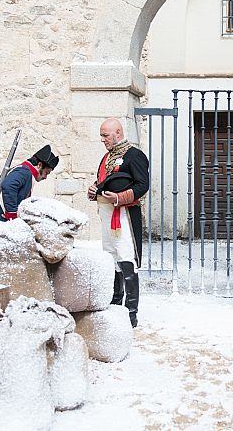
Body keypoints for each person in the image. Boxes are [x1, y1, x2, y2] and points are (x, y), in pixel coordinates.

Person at [87, 118, 149, 328]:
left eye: (106, 135)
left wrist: (120, 197)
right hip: (105, 213)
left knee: (126, 258)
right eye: (102, 135)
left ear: (118, 133)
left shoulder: (135, 155)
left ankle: (131, 313)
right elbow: (103, 182)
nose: (103, 139)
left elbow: (143, 185)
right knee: (111, 257)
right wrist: (94, 189)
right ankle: (116, 303)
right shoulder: (106, 157)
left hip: (123, 214)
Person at [0, 145, 59, 222]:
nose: (45, 177)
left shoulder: (25, 172)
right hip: (0, 222)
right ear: (39, 165)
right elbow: (8, 185)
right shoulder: (24, 172)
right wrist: (12, 214)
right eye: (46, 173)